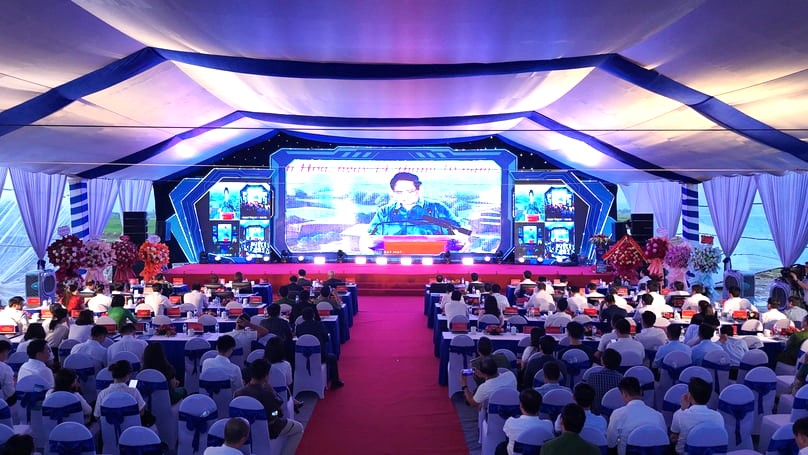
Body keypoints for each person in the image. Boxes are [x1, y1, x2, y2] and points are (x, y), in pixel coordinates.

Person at [234, 359, 304, 455]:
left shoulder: (238, 393)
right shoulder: (267, 394)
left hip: (244, 431)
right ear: (266, 376)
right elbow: (276, 413)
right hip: (269, 428)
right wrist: (274, 396)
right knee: (298, 428)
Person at [367, 171, 467, 236]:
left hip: (433, 258)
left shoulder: (437, 208)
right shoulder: (384, 212)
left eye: (410, 191)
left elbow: (459, 231)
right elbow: (370, 237)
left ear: (419, 189)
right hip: (392, 259)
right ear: (393, 192)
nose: (405, 196)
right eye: (399, 192)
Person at [606, 377, 667, 455]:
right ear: (641, 392)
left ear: (624, 394)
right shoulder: (658, 416)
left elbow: (610, 443)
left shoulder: (617, 414)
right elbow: (663, 441)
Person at [670, 377, 724, 454]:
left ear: (689, 396)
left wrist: (682, 409)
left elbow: (673, 438)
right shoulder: (718, 417)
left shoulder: (679, 414)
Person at [295, 307, 344, 389]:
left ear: (302, 317)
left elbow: (299, 338)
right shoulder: (319, 325)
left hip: (303, 357)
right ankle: (335, 382)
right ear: (313, 315)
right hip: (320, 356)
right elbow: (326, 339)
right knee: (333, 357)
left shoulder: (299, 327)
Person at [497, 388, 552, 455]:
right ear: (540, 407)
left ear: (521, 405)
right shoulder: (549, 425)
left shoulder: (511, 422)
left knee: (501, 447)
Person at [583, 348, 622, 413]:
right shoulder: (621, 379)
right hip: (615, 411)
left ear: (602, 361)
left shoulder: (592, 377)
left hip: (595, 411)